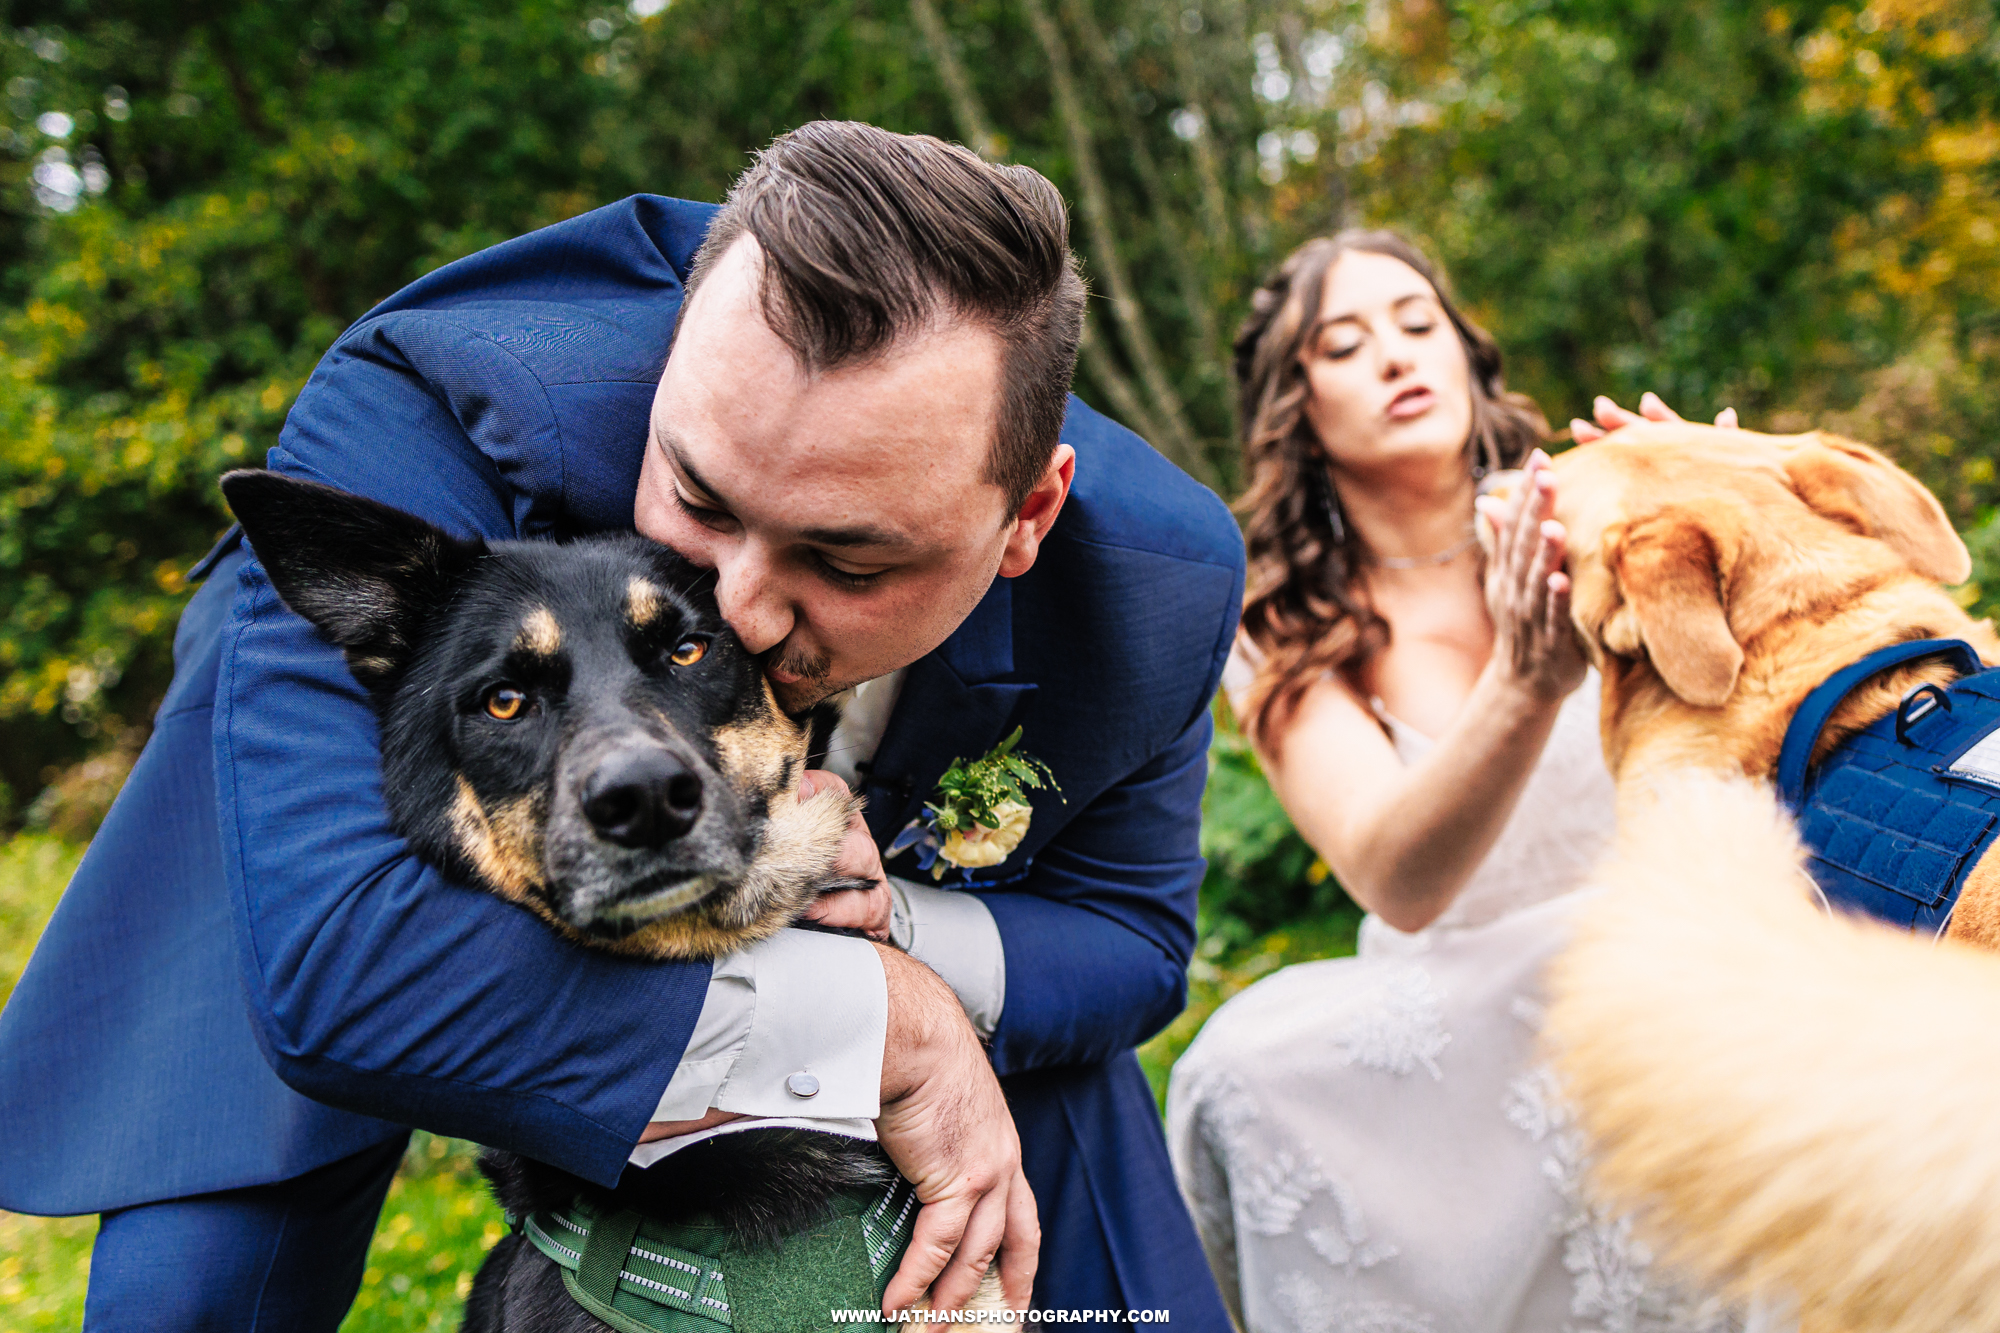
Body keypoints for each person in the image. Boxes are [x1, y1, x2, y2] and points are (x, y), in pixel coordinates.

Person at [0, 122, 1242, 1331]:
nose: (743, 614)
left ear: (1024, 518)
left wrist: (894, 928)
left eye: (845, 559)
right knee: (205, 1277)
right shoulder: (429, 410)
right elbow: (344, 969)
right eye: (699, 503)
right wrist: (884, 1020)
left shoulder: (1153, 586)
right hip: (364, 749)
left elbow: (1129, 938)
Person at [1164, 232, 1740, 1333]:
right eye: (1344, 343)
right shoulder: (1275, 619)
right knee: (1240, 1065)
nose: (1393, 356)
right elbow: (1394, 875)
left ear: (1468, 360)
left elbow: (1750, 722)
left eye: (1416, 323)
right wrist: (1524, 682)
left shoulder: (1605, 510)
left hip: (1673, 959)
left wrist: (1726, 520)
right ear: (1296, 405)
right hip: (1467, 1019)